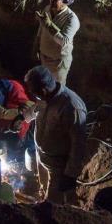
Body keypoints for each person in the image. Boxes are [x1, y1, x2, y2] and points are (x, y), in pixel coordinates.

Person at [24, 65, 87, 205]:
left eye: (33, 91)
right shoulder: (44, 97)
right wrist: (23, 117)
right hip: (42, 157)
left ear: (44, 90)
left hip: (58, 166)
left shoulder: (71, 106)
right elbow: (36, 110)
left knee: (53, 204)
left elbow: (78, 144)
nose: (31, 93)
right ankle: (43, 195)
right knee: (44, 187)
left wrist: (70, 175)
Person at [35, 0, 80, 85]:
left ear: (65, 1)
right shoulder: (47, 9)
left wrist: (49, 25)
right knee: (44, 85)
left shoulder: (72, 19)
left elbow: (64, 41)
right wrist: (36, 47)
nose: (51, 0)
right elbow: (41, 29)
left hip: (58, 63)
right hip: (44, 57)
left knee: (56, 89)